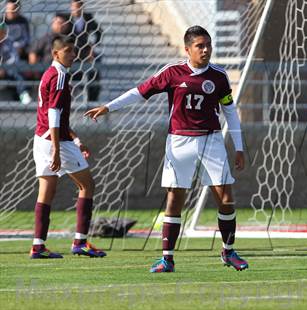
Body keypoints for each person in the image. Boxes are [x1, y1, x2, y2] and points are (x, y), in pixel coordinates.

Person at [85, 26, 248, 272]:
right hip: (179, 141)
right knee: (174, 200)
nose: (205, 50)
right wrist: (109, 107)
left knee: (226, 199)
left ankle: (228, 251)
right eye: (200, 46)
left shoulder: (219, 76)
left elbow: (230, 111)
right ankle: (167, 259)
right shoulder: (172, 73)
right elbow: (140, 93)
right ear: (187, 49)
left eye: (208, 45)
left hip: (211, 140)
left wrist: (239, 146)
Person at [30, 35, 106, 259]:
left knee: (46, 192)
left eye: (74, 51)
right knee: (87, 185)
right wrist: (57, 147)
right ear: (56, 54)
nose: (73, 54)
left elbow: (56, 117)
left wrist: (75, 138)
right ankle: (80, 242)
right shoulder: (60, 77)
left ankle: (38, 246)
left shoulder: (49, 75)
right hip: (55, 141)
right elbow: (54, 115)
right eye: (68, 51)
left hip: (41, 138)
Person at [68, 0, 102, 101]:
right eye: (73, 7)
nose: (76, 10)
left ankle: (92, 100)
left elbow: (99, 32)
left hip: (86, 54)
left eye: (78, 7)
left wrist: (93, 46)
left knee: (94, 70)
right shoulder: (66, 18)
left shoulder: (88, 18)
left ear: (82, 7)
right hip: (70, 53)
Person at [0, 23, 32, 104]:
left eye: (3, 32)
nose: (2, 34)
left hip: (8, 69)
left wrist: (4, 67)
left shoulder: (9, 41)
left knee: (16, 71)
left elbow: (14, 57)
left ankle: (23, 93)